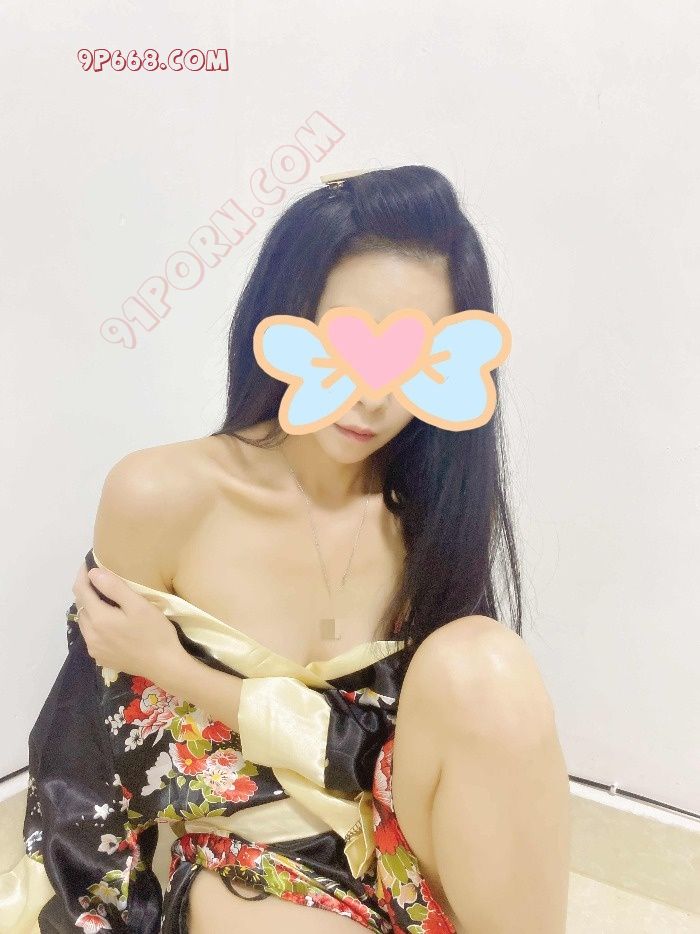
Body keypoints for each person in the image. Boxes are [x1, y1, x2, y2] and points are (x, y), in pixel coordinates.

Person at [2, 165, 571, 933]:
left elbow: (388, 757)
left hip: (409, 841)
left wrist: (179, 669)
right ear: (286, 319)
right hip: (259, 866)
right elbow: (91, 766)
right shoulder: (163, 496)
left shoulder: (429, 517)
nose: (373, 395)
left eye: (409, 361)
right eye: (347, 344)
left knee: (486, 662)